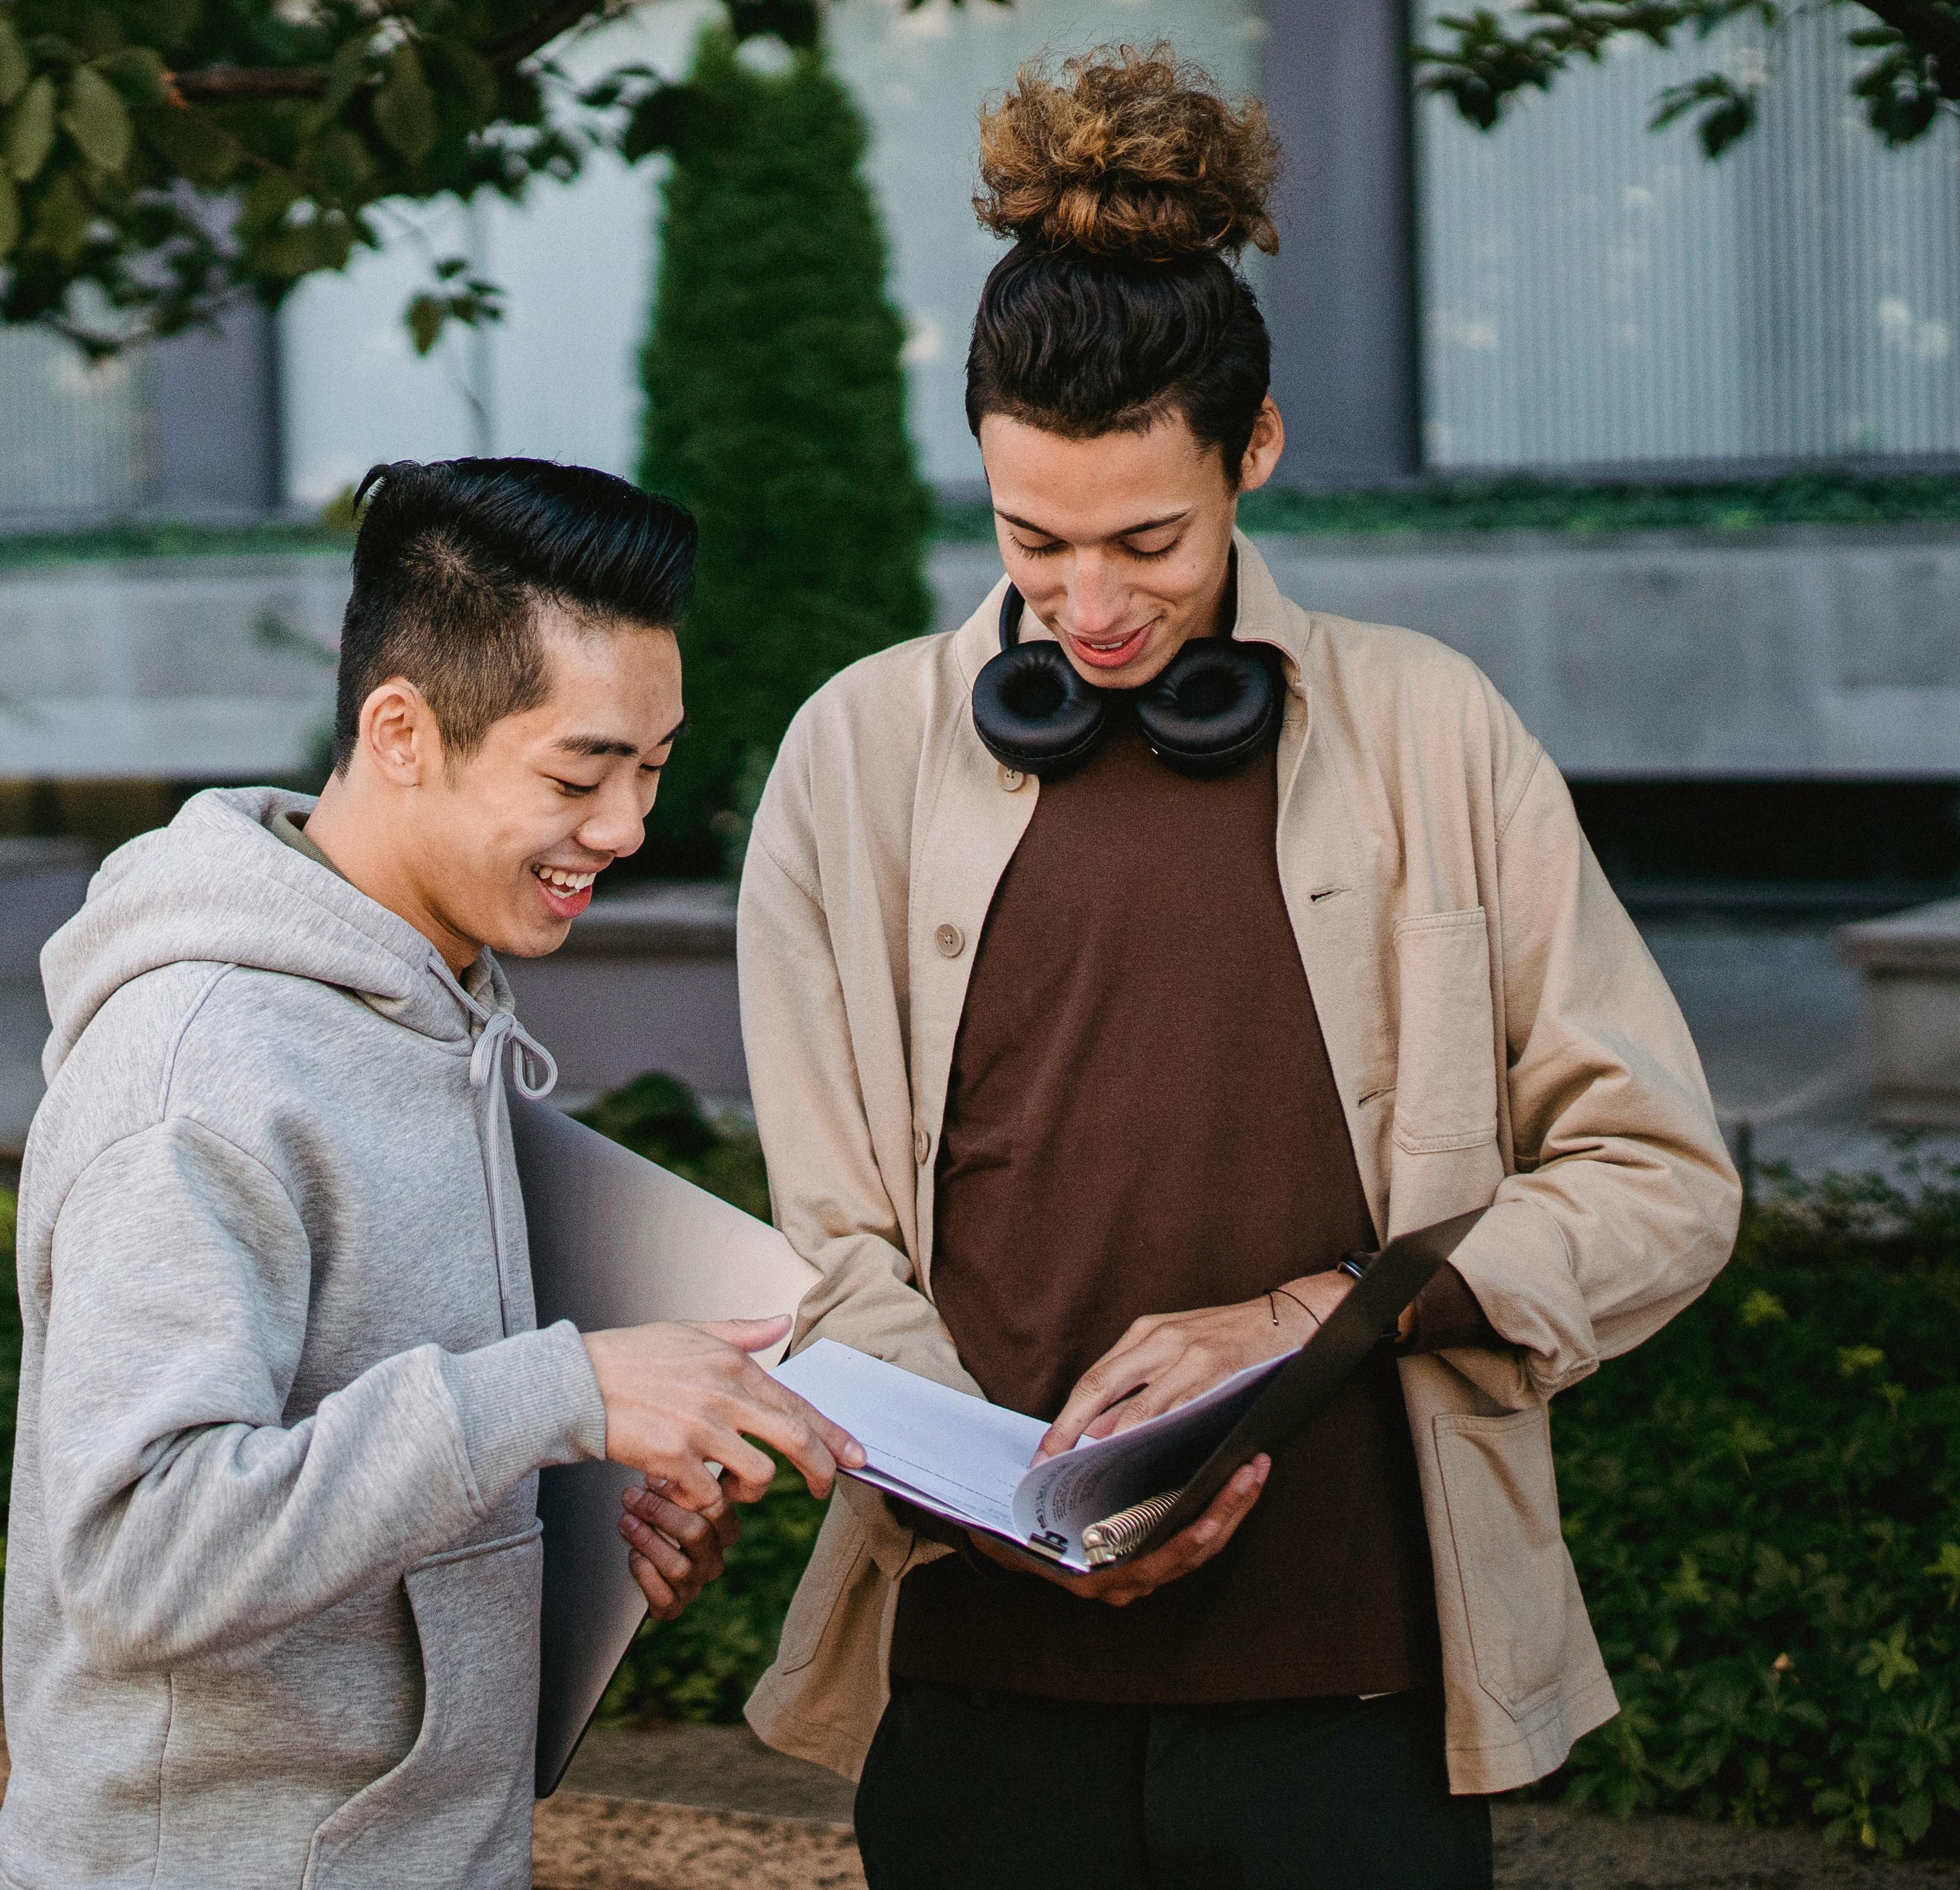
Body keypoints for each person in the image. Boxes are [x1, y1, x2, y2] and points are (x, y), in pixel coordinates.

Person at [737, 48, 1740, 1888]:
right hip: (978, 1671)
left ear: (1252, 453)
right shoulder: (851, 756)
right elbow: (826, 1248)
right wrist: (1001, 1502)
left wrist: (1318, 1311)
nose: (1093, 607)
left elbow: (1659, 1178)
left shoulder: (1438, 731)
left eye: (1151, 541)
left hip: (1351, 1688)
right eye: (1034, 542)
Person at [0, 456, 862, 1890]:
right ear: (401, 729)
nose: (630, 828)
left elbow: (401, 1441)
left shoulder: (432, 1003)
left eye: (653, 764)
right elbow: (138, 1561)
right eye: (581, 771)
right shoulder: (196, 1071)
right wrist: (557, 1391)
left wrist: (577, 1504)